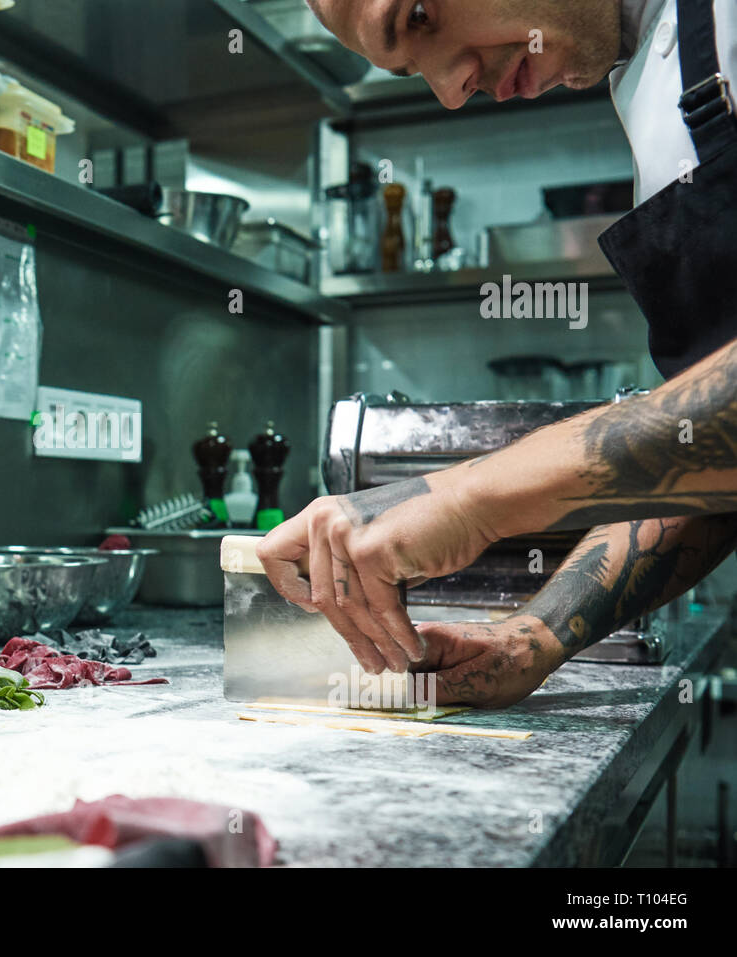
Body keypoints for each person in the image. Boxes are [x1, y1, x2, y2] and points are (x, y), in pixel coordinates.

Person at [258, 0, 737, 706]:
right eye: (409, 68)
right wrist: (533, 638)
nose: (449, 90)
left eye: (418, 15)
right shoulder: (651, 96)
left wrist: (468, 497)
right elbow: (707, 458)